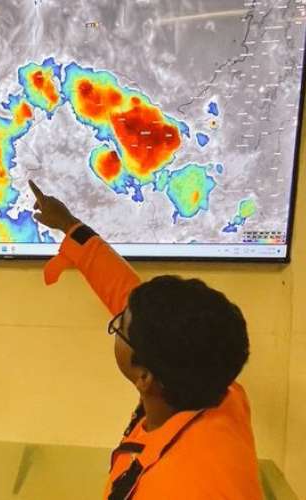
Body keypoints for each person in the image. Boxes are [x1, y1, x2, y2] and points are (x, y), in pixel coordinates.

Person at [29, 180, 261, 499]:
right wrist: (69, 225)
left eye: (119, 324)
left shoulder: (177, 487)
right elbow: (125, 291)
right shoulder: (220, 391)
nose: (120, 312)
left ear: (145, 376)